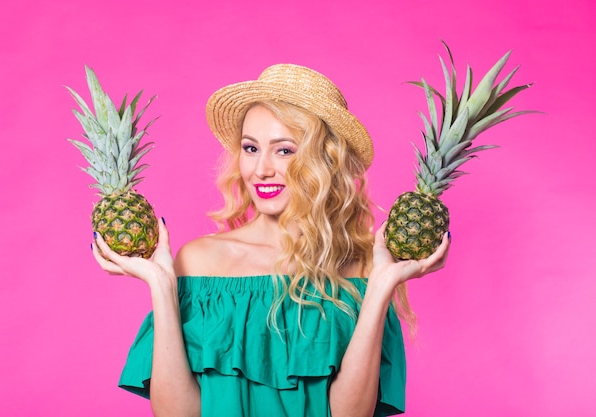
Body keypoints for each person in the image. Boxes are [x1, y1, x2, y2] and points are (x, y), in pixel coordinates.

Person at [92, 64, 450, 417]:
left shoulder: (362, 270)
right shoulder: (198, 262)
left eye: (284, 150)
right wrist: (161, 284)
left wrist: (381, 285)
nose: (261, 169)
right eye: (250, 148)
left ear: (325, 161)